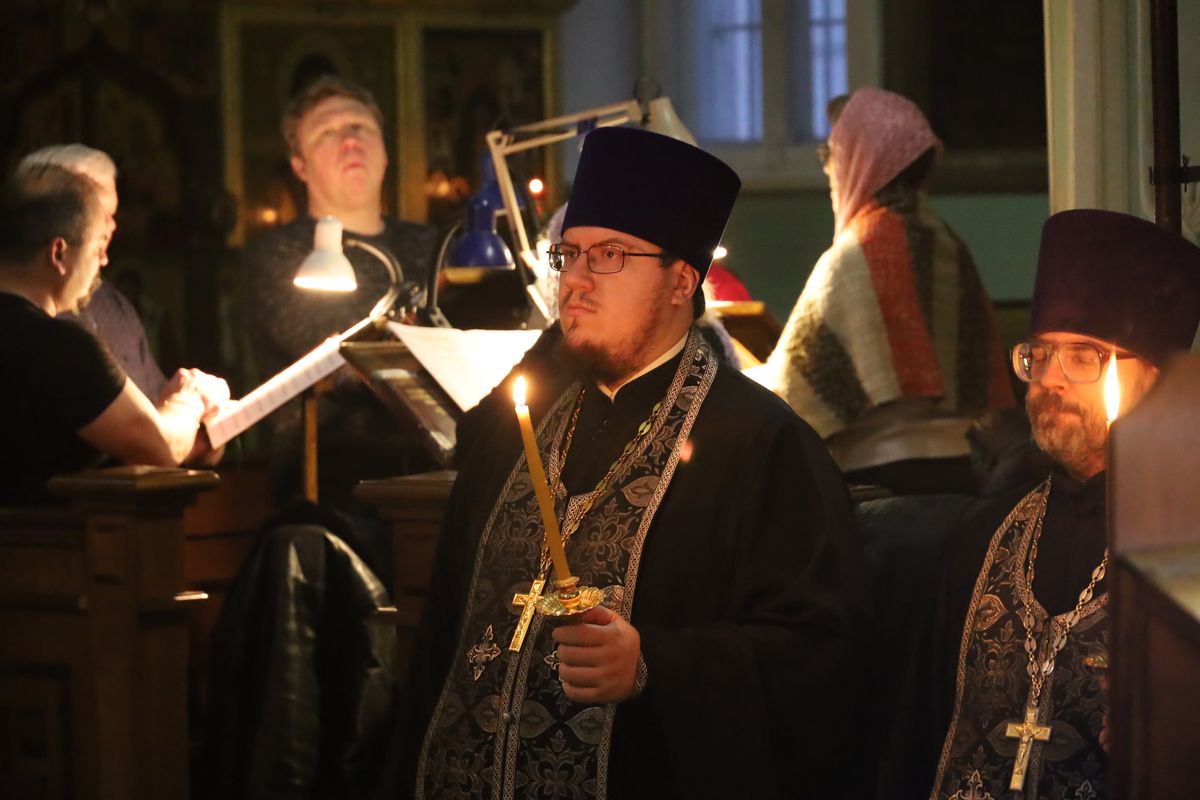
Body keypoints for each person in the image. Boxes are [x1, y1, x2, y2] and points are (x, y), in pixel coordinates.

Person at [387, 126, 867, 799]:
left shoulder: (764, 446)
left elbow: (818, 655)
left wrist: (653, 664)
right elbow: (438, 648)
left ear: (680, 281)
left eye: (609, 255)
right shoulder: (514, 436)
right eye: (569, 255)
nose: (576, 280)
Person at [883, 209, 1200, 799]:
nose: (1050, 378)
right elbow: (915, 738)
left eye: (1083, 354)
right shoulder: (981, 536)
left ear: (1155, 377)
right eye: (1039, 354)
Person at [754, 87, 1013, 494]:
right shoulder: (949, 244)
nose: (829, 171)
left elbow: (793, 395)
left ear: (862, 160)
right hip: (959, 473)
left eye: (832, 153)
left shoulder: (856, 257)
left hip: (880, 483)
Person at [244, 74, 441, 579]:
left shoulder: (433, 247)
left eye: (360, 127)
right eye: (327, 134)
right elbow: (346, 358)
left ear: (385, 150)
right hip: (335, 498)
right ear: (299, 166)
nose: (350, 140)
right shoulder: (280, 256)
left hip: (436, 478)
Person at [0, 166, 228, 505]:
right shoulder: (61, 348)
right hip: (55, 536)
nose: (104, 261)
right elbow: (161, 449)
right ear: (59, 254)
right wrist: (190, 399)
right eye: (96, 249)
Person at [16, 144, 169, 399]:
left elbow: (156, 395)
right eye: (98, 213)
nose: (110, 228)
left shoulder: (114, 305)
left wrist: (183, 395)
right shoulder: (30, 326)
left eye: (113, 214)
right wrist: (183, 406)